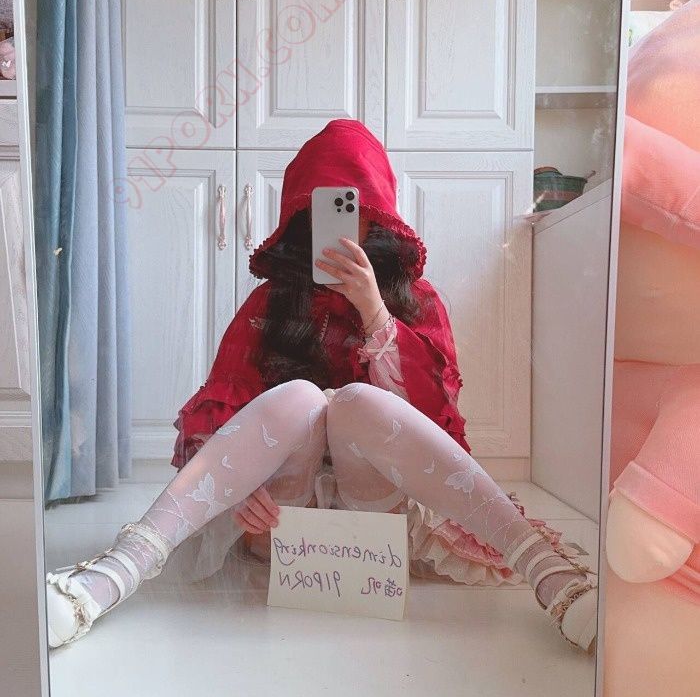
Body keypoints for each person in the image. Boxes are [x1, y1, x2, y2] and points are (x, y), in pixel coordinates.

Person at [46, 119, 597, 653]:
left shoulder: (418, 302)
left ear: (379, 220)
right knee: (302, 399)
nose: (340, 227)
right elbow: (225, 407)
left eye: (353, 211)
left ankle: (548, 572)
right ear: (301, 219)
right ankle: (119, 569)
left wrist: (376, 313)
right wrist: (243, 492)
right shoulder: (270, 303)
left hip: (378, 519)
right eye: (323, 212)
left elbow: (435, 424)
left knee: (355, 403)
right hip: (282, 524)